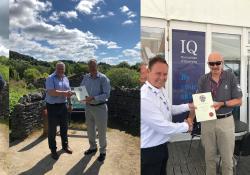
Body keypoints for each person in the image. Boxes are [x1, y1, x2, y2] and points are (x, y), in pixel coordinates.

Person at [141, 56, 194, 175]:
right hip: (149, 151)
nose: (162, 77)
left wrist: (188, 106)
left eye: (165, 74)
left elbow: (169, 109)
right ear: (148, 72)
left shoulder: (161, 89)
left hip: (162, 146)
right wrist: (186, 126)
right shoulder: (145, 97)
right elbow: (162, 126)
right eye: (158, 73)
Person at [195, 52, 242, 175]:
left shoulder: (231, 77)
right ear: (208, 64)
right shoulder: (203, 79)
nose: (215, 66)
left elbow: (239, 101)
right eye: (211, 63)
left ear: (222, 62)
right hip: (207, 121)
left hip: (225, 121)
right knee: (209, 156)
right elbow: (198, 99)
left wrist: (222, 104)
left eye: (217, 63)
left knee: (227, 158)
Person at [80, 59, 111, 162]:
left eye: (93, 66)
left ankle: (103, 151)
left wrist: (93, 98)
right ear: (88, 67)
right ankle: (93, 147)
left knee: (101, 131)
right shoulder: (86, 77)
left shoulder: (103, 78)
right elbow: (81, 88)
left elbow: (106, 94)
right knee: (90, 129)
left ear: (97, 66)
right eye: (90, 66)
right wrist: (77, 94)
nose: (92, 68)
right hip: (88, 107)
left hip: (100, 107)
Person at [45, 62, 74, 160]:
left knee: (64, 127)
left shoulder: (66, 78)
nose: (61, 71)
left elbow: (68, 92)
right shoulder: (50, 78)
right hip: (52, 106)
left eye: (62, 69)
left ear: (64, 69)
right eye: (59, 69)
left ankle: (65, 146)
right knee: (52, 129)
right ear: (55, 68)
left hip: (63, 106)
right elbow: (51, 92)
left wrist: (70, 104)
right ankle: (53, 150)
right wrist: (64, 93)